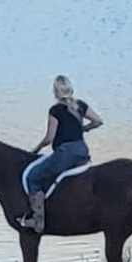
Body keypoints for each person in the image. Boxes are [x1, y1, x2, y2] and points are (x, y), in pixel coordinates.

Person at [19, 75, 102, 232]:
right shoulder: (80, 105)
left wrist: (35, 150)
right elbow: (98, 121)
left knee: (33, 177)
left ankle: (38, 221)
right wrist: (83, 129)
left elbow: (49, 139)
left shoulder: (55, 110)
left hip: (65, 154)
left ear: (56, 92)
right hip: (82, 150)